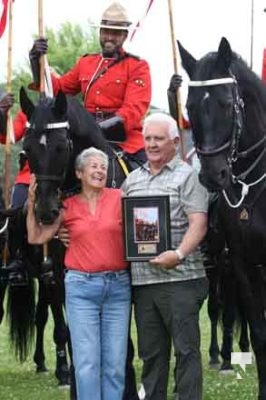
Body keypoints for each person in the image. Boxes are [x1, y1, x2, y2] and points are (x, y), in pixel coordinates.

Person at [26, 147, 131, 400]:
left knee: (115, 364)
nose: (99, 171)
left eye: (103, 167)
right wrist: (31, 204)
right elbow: (36, 236)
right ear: (79, 173)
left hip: (118, 288)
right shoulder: (68, 206)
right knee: (86, 364)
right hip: (81, 289)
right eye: (93, 166)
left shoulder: (121, 198)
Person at [122, 112, 209, 400]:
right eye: (147, 138)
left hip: (181, 279)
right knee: (151, 355)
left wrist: (180, 253)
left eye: (158, 138)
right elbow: (117, 224)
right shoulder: (131, 180)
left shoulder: (189, 176)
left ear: (175, 141)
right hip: (144, 283)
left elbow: (199, 222)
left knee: (186, 351)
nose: (151, 144)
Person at [28, 1, 151, 167]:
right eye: (106, 31)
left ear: (124, 35)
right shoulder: (86, 63)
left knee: (143, 179)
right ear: (100, 32)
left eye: (116, 33)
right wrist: (36, 59)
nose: (109, 37)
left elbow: (133, 111)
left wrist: (94, 130)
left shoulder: (137, 66)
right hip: (84, 137)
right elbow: (57, 89)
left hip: (123, 141)